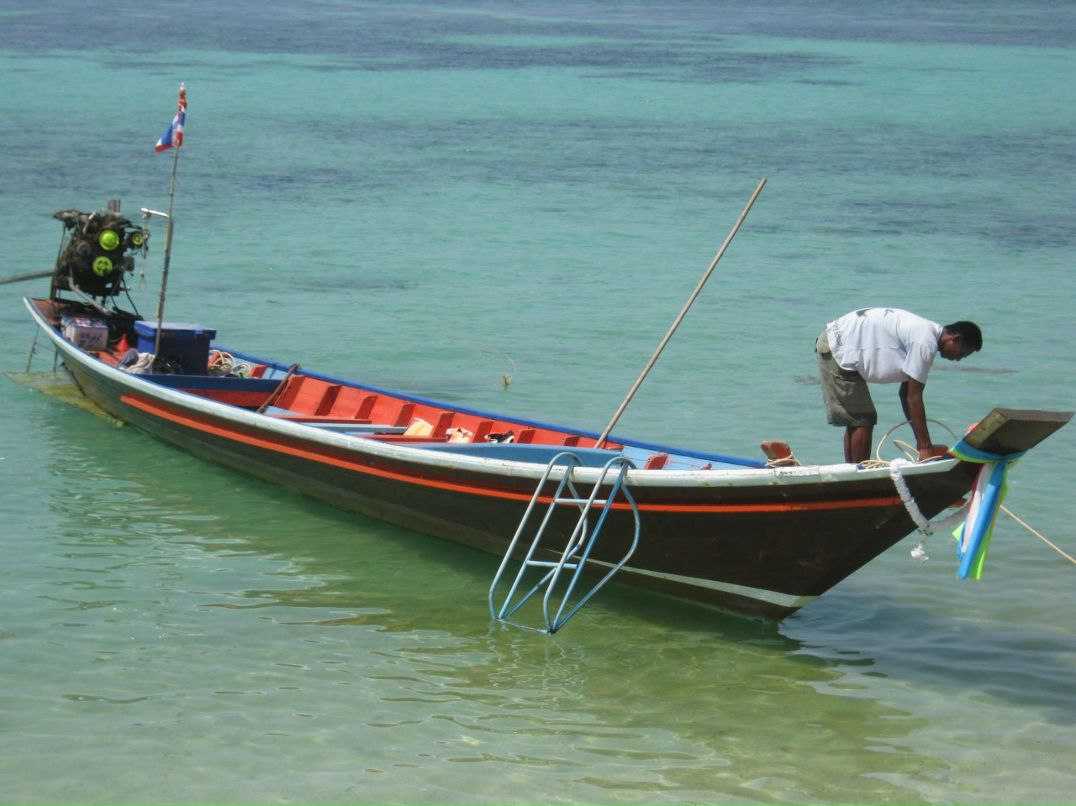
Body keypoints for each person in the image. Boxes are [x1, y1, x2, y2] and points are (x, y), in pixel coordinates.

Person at [815, 308, 982, 464]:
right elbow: (914, 397)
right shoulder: (925, 342)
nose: (958, 359)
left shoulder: (925, 335)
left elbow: (906, 393)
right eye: (961, 353)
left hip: (840, 343)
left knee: (859, 418)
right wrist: (925, 447)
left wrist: (921, 441)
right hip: (838, 345)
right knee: (863, 419)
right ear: (955, 338)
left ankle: (852, 472)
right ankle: (857, 475)